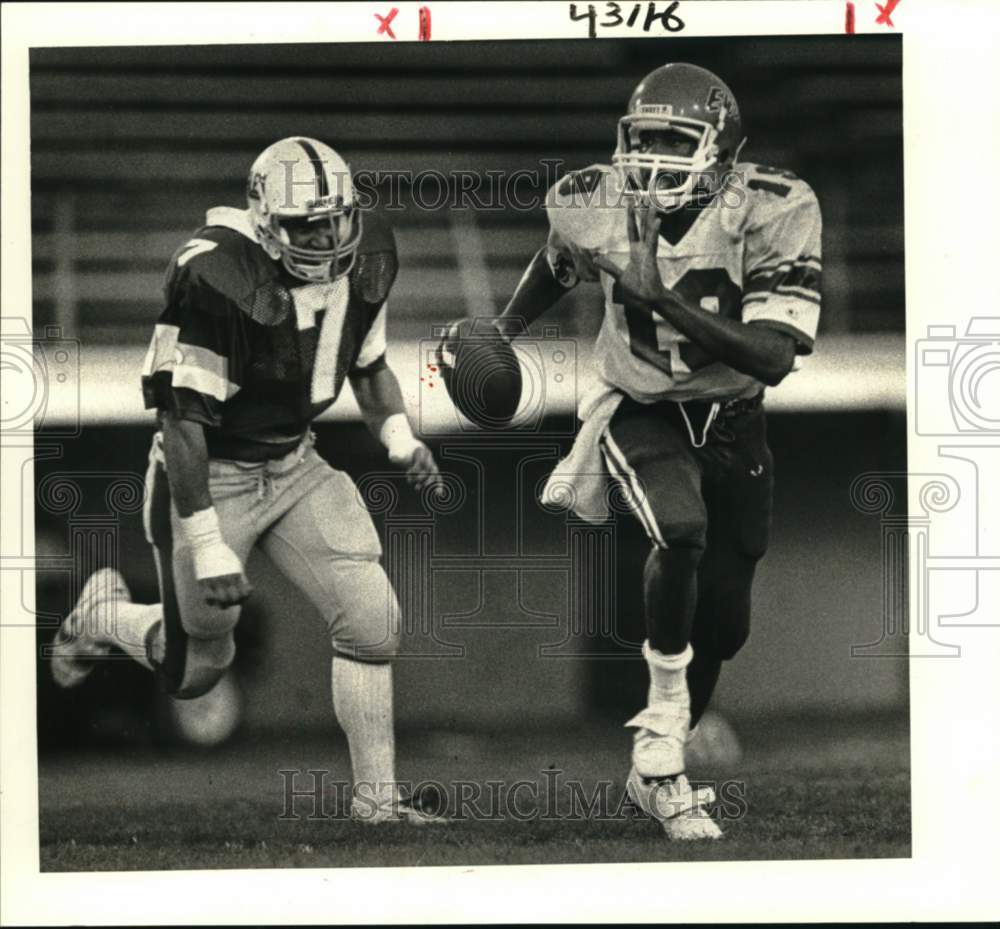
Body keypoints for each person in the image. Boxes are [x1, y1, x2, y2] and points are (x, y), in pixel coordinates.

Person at [51, 137, 445, 824]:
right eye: (307, 225)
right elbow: (181, 421)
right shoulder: (216, 276)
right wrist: (206, 542)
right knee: (196, 669)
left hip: (295, 460)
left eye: (336, 219)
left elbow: (369, 363)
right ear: (266, 222)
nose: (327, 236)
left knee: (372, 623)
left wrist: (400, 437)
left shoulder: (372, 252)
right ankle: (102, 615)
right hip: (212, 472)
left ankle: (378, 805)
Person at [499, 64, 822, 839]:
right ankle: (661, 751)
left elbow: (774, 356)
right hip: (641, 407)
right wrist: (502, 331)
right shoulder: (596, 200)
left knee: (725, 621)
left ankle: (662, 751)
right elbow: (559, 260)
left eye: (673, 142)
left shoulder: (776, 207)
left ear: (718, 149)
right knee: (679, 530)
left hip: (735, 419)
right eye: (642, 140)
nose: (651, 158)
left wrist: (662, 300)